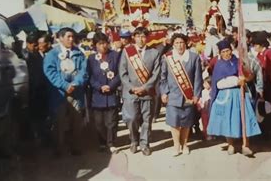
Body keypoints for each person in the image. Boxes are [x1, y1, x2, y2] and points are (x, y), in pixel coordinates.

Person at [207, 40, 261, 157]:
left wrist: (246, 78)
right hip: (226, 96)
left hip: (240, 94)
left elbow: (249, 75)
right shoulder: (219, 65)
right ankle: (231, 144)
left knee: (244, 118)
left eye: (228, 51)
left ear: (231, 50)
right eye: (224, 52)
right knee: (228, 119)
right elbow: (218, 84)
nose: (226, 54)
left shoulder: (238, 62)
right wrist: (235, 81)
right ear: (220, 53)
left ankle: (245, 145)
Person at [43, 27, 88, 157]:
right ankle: (58, 148)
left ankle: (75, 146)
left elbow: (83, 72)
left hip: (75, 93)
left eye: (72, 36)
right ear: (60, 38)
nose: (71, 39)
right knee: (59, 122)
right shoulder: (52, 54)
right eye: (68, 36)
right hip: (59, 94)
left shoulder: (79, 53)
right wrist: (64, 85)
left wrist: (75, 83)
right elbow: (49, 72)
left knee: (76, 121)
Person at [119, 27, 161, 156]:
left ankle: (144, 144)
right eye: (138, 36)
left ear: (146, 38)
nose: (140, 39)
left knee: (146, 120)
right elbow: (122, 72)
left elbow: (156, 73)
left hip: (147, 92)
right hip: (131, 92)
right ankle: (134, 140)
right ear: (134, 38)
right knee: (131, 118)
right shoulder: (127, 52)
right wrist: (131, 87)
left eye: (143, 36)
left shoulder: (154, 53)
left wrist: (145, 87)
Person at [159, 33, 203, 156]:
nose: (179, 45)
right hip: (172, 96)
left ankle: (185, 144)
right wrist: (164, 92)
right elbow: (163, 78)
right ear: (173, 45)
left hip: (188, 95)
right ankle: (176, 145)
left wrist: (196, 95)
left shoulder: (194, 57)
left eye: (182, 43)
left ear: (186, 44)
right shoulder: (167, 58)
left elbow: (198, 78)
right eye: (177, 43)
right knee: (174, 122)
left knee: (186, 123)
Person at [87, 32, 121, 154]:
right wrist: (99, 86)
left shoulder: (115, 56)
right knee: (98, 123)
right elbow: (89, 77)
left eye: (105, 43)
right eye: (100, 44)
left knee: (111, 122)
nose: (103, 46)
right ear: (95, 45)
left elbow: (119, 74)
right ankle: (102, 142)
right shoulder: (91, 58)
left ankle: (111, 143)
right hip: (97, 95)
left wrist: (111, 86)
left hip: (111, 94)